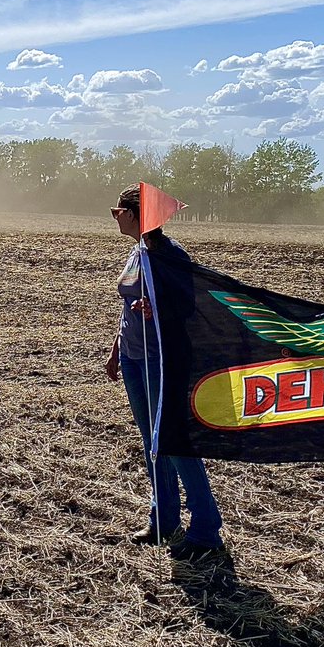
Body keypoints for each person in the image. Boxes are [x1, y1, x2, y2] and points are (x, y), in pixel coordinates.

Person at [105, 185, 225, 562]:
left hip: (162, 360)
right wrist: (115, 353)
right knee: (152, 444)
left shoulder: (171, 256)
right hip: (133, 359)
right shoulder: (137, 251)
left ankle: (206, 530)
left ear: (136, 214)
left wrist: (157, 312)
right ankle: (163, 521)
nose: (114, 217)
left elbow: (189, 307)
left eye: (118, 210)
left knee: (173, 442)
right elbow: (128, 308)